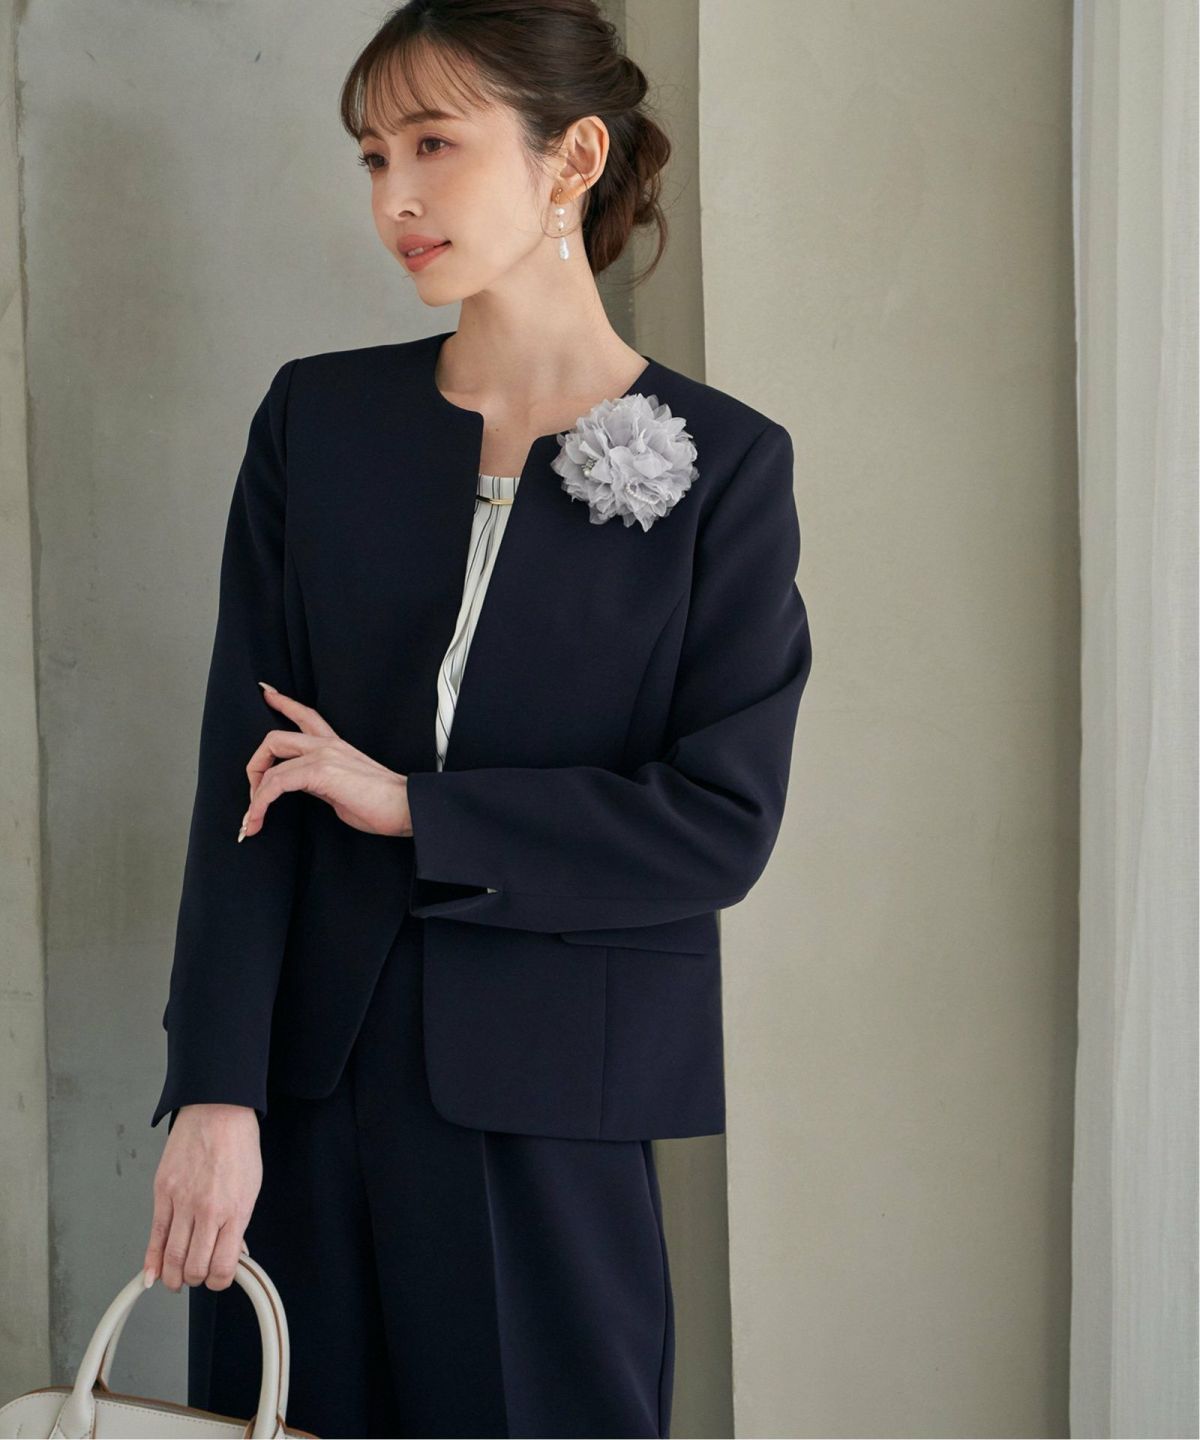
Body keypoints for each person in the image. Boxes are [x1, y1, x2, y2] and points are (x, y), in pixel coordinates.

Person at [142, 2, 813, 1436]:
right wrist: (214, 1093)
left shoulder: (726, 467)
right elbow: (236, 785)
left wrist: (416, 809)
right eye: (371, 155)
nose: (395, 195)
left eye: (434, 145)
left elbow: (718, 824)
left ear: (574, 156)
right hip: (301, 1101)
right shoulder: (316, 425)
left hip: (554, 1109)